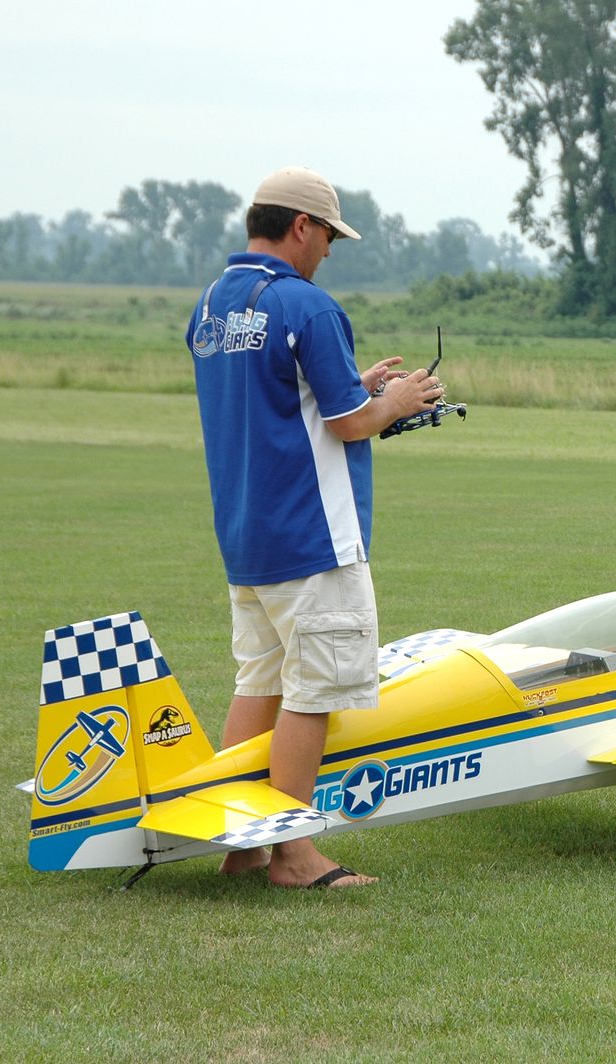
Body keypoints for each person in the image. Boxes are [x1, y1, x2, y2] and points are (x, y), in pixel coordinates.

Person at [185, 165, 444, 887]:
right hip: (313, 537)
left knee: (260, 683)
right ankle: (295, 854)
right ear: (301, 226)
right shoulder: (309, 305)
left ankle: (243, 845)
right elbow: (350, 424)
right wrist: (401, 398)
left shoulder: (211, 304)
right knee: (315, 693)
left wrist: (353, 386)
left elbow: (278, 399)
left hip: (247, 538)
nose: (328, 249)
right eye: (327, 234)